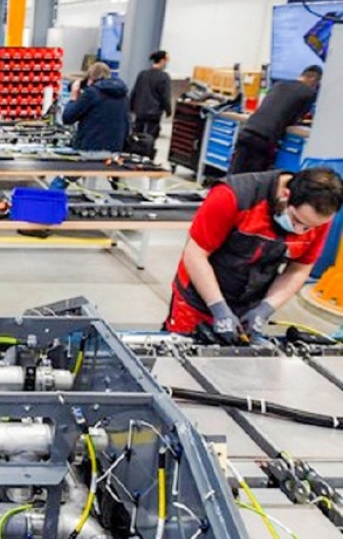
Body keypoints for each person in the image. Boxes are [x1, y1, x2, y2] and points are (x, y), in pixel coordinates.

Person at [165, 167, 343, 343]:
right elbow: (195, 254)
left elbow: (299, 269)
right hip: (197, 300)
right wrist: (219, 309)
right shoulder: (233, 196)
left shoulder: (316, 217)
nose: (300, 231)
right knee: (179, 359)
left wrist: (265, 309)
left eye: (309, 227)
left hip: (249, 304)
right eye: (296, 220)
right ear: (286, 195)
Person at [230, 65, 322, 174]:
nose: (315, 86)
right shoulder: (309, 93)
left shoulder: (278, 85)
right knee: (253, 177)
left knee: (235, 172)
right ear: (313, 79)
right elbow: (296, 118)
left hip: (247, 130)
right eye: (317, 83)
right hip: (265, 138)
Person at [55, 62, 130, 190]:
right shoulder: (122, 94)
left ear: (90, 78)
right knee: (119, 183)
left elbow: (67, 118)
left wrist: (74, 97)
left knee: (59, 182)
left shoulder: (92, 93)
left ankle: (49, 204)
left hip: (89, 152)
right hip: (115, 150)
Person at [129, 50, 172, 140]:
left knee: (136, 136)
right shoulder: (164, 77)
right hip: (154, 112)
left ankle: (135, 151)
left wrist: (130, 107)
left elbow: (135, 92)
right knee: (150, 137)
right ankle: (147, 151)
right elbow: (165, 96)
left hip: (140, 111)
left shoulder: (142, 74)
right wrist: (168, 110)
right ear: (162, 61)